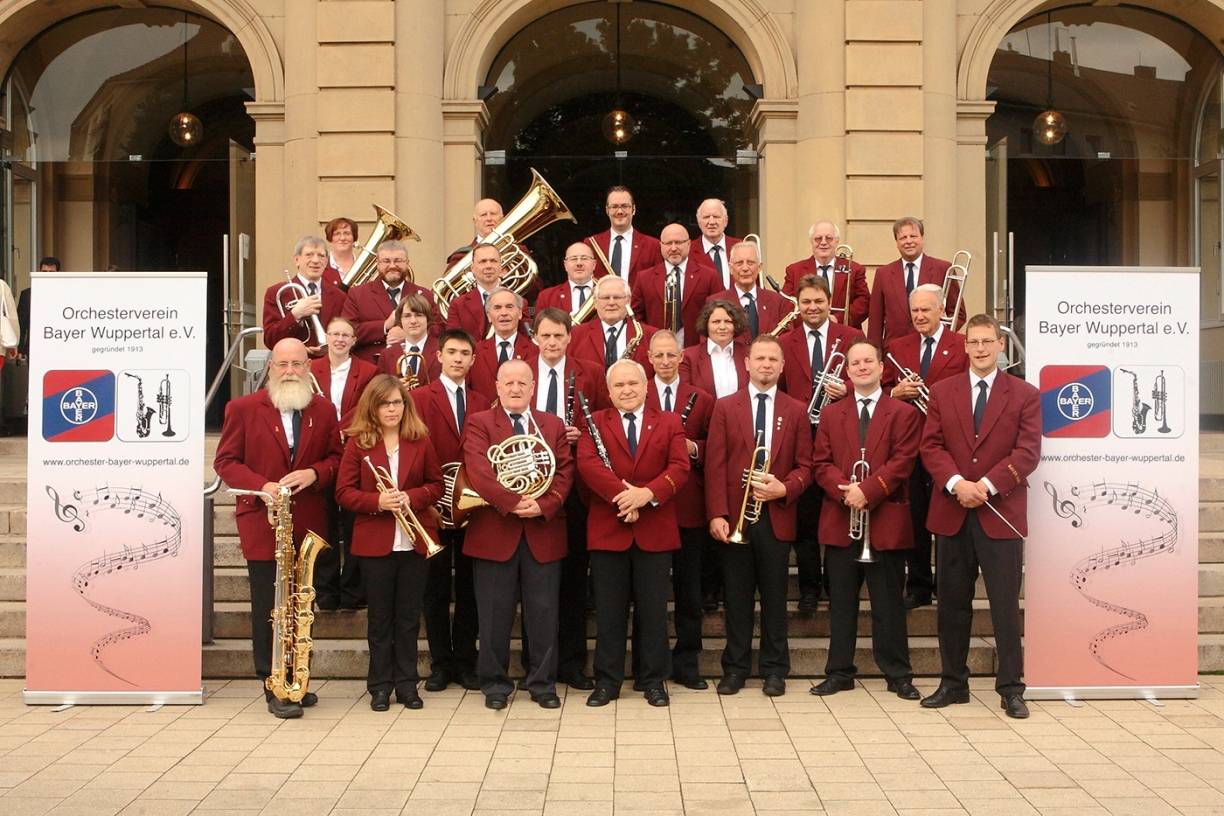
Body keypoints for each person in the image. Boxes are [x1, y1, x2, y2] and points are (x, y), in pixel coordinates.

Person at [919, 314, 1040, 719]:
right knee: (952, 604)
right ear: (965, 345)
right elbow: (931, 447)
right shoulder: (941, 391)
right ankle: (953, 683)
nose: (982, 348)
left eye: (989, 341)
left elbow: (1027, 453)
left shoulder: (1024, 394)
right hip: (952, 513)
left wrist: (984, 486)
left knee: (1004, 605)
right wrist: (957, 484)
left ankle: (1011, 688)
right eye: (974, 342)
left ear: (1000, 346)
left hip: (999, 513)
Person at [213, 338, 342, 718]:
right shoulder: (242, 408)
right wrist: (263, 486)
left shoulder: (324, 408)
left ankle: (297, 679)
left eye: (297, 364)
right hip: (262, 520)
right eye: (283, 364)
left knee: (301, 605)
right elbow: (226, 461)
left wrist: (315, 472)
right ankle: (273, 684)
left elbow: (338, 457)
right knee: (269, 607)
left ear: (308, 368)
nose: (290, 371)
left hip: (307, 525)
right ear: (270, 368)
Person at [810, 338, 921, 700]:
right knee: (841, 602)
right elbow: (820, 463)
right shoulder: (830, 413)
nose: (861, 367)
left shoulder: (902, 413)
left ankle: (898, 674)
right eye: (855, 363)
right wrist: (845, 491)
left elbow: (903, 462)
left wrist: (868, 491)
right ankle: (839, 672)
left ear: (881, 368)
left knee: (888, 603)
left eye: (867, 362)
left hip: (885, 520)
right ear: (847, 370)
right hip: (842, 519)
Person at [462, 360, 574, 709]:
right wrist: (513, 501)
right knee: (494, 616)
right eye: (508, 382)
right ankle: (495, 684)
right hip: (496, 531)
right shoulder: (479, 422)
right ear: (497, 386)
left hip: (543, 530)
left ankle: (542, 684)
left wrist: (545, 504)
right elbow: (478, 470)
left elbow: (565, 471)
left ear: (533, 386)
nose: (514, 388)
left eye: (521, 383)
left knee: (543, 614)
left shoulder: (552, 424)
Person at [577, 359, 689, 707]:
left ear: (646, 386)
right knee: (609, 611)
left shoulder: (669, 422)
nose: (626, 390)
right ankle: (607, 681)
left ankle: (652, 679)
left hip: (654, 530)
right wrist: (624, 496)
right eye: (619, 386)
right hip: (609, 529)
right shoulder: (594, 422)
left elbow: (680, 467)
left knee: (653, 611)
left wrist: (647, 494)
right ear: (609, 392)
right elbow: (588, 464)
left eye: (633, 384)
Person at [706, 335, 812, 697]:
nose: (766, 365)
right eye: (760, 358)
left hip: (776, 516)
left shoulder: (796, 410)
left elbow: (806, 466)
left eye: (773, 360)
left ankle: (774, 669)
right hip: (735, 517)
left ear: (782, 367)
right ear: (746, 363)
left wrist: (785, 488)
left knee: (774, 598)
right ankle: (734, 669)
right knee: (735, 597)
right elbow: (715, 465)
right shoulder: (724, 407)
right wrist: (717, 513)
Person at [335, 374, 444, 711]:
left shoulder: (420, 439)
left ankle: (408, 685)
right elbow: (343, 492)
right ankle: (380, 686)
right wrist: (377, 502)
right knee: (380, 619)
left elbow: (436, 485)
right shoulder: (358, 443)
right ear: (373, 406)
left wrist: (411, 497)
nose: (392, 409)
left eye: (397, 402)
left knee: (409, 618)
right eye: (385, 403)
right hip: (375, 544)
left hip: (414, 542)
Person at [529, 307, 607, 689]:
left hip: (575, 486)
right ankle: (536, 665)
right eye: (545, 336)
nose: (552, 343)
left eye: (558, 336)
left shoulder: (589, 371)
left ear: (569, 337)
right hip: (531, 484)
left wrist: (582, 437)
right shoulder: (521, 371)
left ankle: (573, 664)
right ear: (535, 338)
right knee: (534, 580)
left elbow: (605, 420)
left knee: (575, 578)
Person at [409, 329, 487, 692]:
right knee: (434, 589)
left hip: (474, 509)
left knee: (472, 589)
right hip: (432, 510)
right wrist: (432, 501)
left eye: (465, 353)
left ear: (473, 360)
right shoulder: (419, 398)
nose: (458, 358)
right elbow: (415, 452)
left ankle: (466, 663)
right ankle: (441, 663)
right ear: (438, 356)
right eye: (452, 352)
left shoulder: (484, 400)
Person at [777, 274, 861, 610]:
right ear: (798, 306)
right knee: (806, 515)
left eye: (819, 301)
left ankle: (840, 586)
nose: (813, 307)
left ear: (830, 303)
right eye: (807, 302)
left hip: (842, 435)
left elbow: (873, 378)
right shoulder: (785, 341)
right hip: (800, 435)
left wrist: (849, 390)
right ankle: (810, 589)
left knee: (839, 510)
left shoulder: (852, 336)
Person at [884, 284, 968, 609]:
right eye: (915, 311)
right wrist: (896, 392)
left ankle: (950, 584)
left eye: (925, 310)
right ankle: (918, 585)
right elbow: (883, 387)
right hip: (910, 443)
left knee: (950, 515)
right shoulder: (897, 346)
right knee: (915, 514)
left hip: (950, 445)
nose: (919, 316)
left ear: (942, 310)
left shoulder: (960, 346)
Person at [646, 331, 715, 688]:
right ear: (649, 357)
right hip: (651, 507)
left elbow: (715, 446)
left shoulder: (701, 398)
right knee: (651, 592)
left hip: (688, 506)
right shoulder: (636, 390)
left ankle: (687, 664)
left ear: (680, 358)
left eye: (671, 355)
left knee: (689, 592)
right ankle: (652, 663)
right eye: (659, 355)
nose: (665, 361)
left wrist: (692, 448)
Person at [310, 315, 377, 610]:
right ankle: (325, 592)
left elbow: (367, 407)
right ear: (327, 337)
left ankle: (352, 591)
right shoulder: (311, 368)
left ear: (353, 340)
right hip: (320, 453)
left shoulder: (369, 371)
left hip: (355, 451)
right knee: (323, 523)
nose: (339, 339)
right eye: (334, 333)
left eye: (345, 335)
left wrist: (338, 428)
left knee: (353, 524)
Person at [868, 217, 963, 348]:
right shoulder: (883, 274)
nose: (908, 241)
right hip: (894, 351)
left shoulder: (943, 269)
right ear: (896, 242)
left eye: (913, 236)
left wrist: (938, 334)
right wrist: (875, 353)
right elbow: (875, 322)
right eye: (903, 238)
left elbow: (959, 314)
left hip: (933, 347)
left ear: (922, 238)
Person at [341, 240, 440, 363]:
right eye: (386, 261)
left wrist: (411, 335)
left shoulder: (424, 294)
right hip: (372, 369)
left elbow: (438, 330)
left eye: (398, 261)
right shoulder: (357, 294)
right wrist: (385, 326)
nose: (392, 266)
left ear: (407, 263)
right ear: (377, 264)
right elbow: (346, 332)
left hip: (416, 366)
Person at [631, 223, 721, 347]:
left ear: (689, 244)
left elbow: (719, 314)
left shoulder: (709, 276)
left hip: (697, 351)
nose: (673, 248)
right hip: (657, 353)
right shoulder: (644, 278)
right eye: (668, 243)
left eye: (678, 243)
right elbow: (635, 319)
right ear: (661, 246)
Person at [262, 236, 347, 353]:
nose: (316, 260)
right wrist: (295, 314)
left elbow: (347, 333)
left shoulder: (340, 296)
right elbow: (270, 339)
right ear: (297, 260)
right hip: (292, 364)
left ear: (326, 262)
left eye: (321, 256)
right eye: (309, 255)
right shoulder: (277, 292)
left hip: (328, 363)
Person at [782, 221, 869, 329]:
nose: (823, 242)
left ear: (837, 241)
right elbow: (786, 304)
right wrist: (811, 320)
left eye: (829, 238)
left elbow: (864, 302)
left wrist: (837, 319)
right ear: (811, 242)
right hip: (806, 334)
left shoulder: (854, 269)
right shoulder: (794, 270)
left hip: (845, 335)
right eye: (818, 238)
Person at [569, 275, 656, 373]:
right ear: (595, 302)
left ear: (628, 301)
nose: (611, 302)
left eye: (617, 297)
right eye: (605, 298)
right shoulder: (575, 335)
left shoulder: (651, 335)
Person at [708, 241, 790, 339]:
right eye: (739, 263)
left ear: (759, 267)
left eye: (750, 263)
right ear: (730, 268)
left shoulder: (778, 301)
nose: (745, 268)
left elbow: (788, 339)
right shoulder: (714, 302)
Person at [468, 287, 538, 399]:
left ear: (520, 313)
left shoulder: (535, 351)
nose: (504, 313)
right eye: (497, 308)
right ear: (489, 316)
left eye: (509, 307)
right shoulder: (475, 352)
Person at [585, 186, 662, 286]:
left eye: (625, 206)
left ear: (633, 209)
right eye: (614, 206)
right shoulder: (591, 244)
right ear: (607, 210)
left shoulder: (653, 245)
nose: (620, 211)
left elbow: (659, 283)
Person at [680, 299, 749, 400]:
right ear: (706, 324)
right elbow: (685, 394)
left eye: (728, 321)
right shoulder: (688, 357)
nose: (722, 327)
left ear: (735, 325)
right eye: (716, 322)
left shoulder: (748, 354)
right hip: (705, 415)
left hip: (741, 415)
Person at [443, 243, 505, 340]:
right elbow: (453, 341)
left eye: (493, 261)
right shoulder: (457, 305)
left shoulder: (519, 302)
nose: (488, 266)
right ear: (472, 268)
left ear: (501, 266)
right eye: (483, 261)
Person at [379, 293, 441, 387]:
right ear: (400, 320)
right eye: (407, 316)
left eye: (419, 315)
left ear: (428, 319)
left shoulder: (442, 350)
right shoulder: (386, 355)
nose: (413, 321)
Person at [688, 198, 741, 289]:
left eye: (716, 217)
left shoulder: (741, 247)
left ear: (726, 221)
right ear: (699, 222)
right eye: (706, 217)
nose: (711, 222)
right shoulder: (688, 251)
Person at [535, 242, 598, 318]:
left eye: (584, 258)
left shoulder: (607, 293)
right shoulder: (547, 297)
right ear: (565, 265)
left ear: (594, 264)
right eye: (573, 259)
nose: (579, 263)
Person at [324, 216, 358, 287]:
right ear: (330, 238)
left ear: (354, 237)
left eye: (347, 233)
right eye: (337, 234)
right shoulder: (321, 266)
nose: (342, 238)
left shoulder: (364, 267)